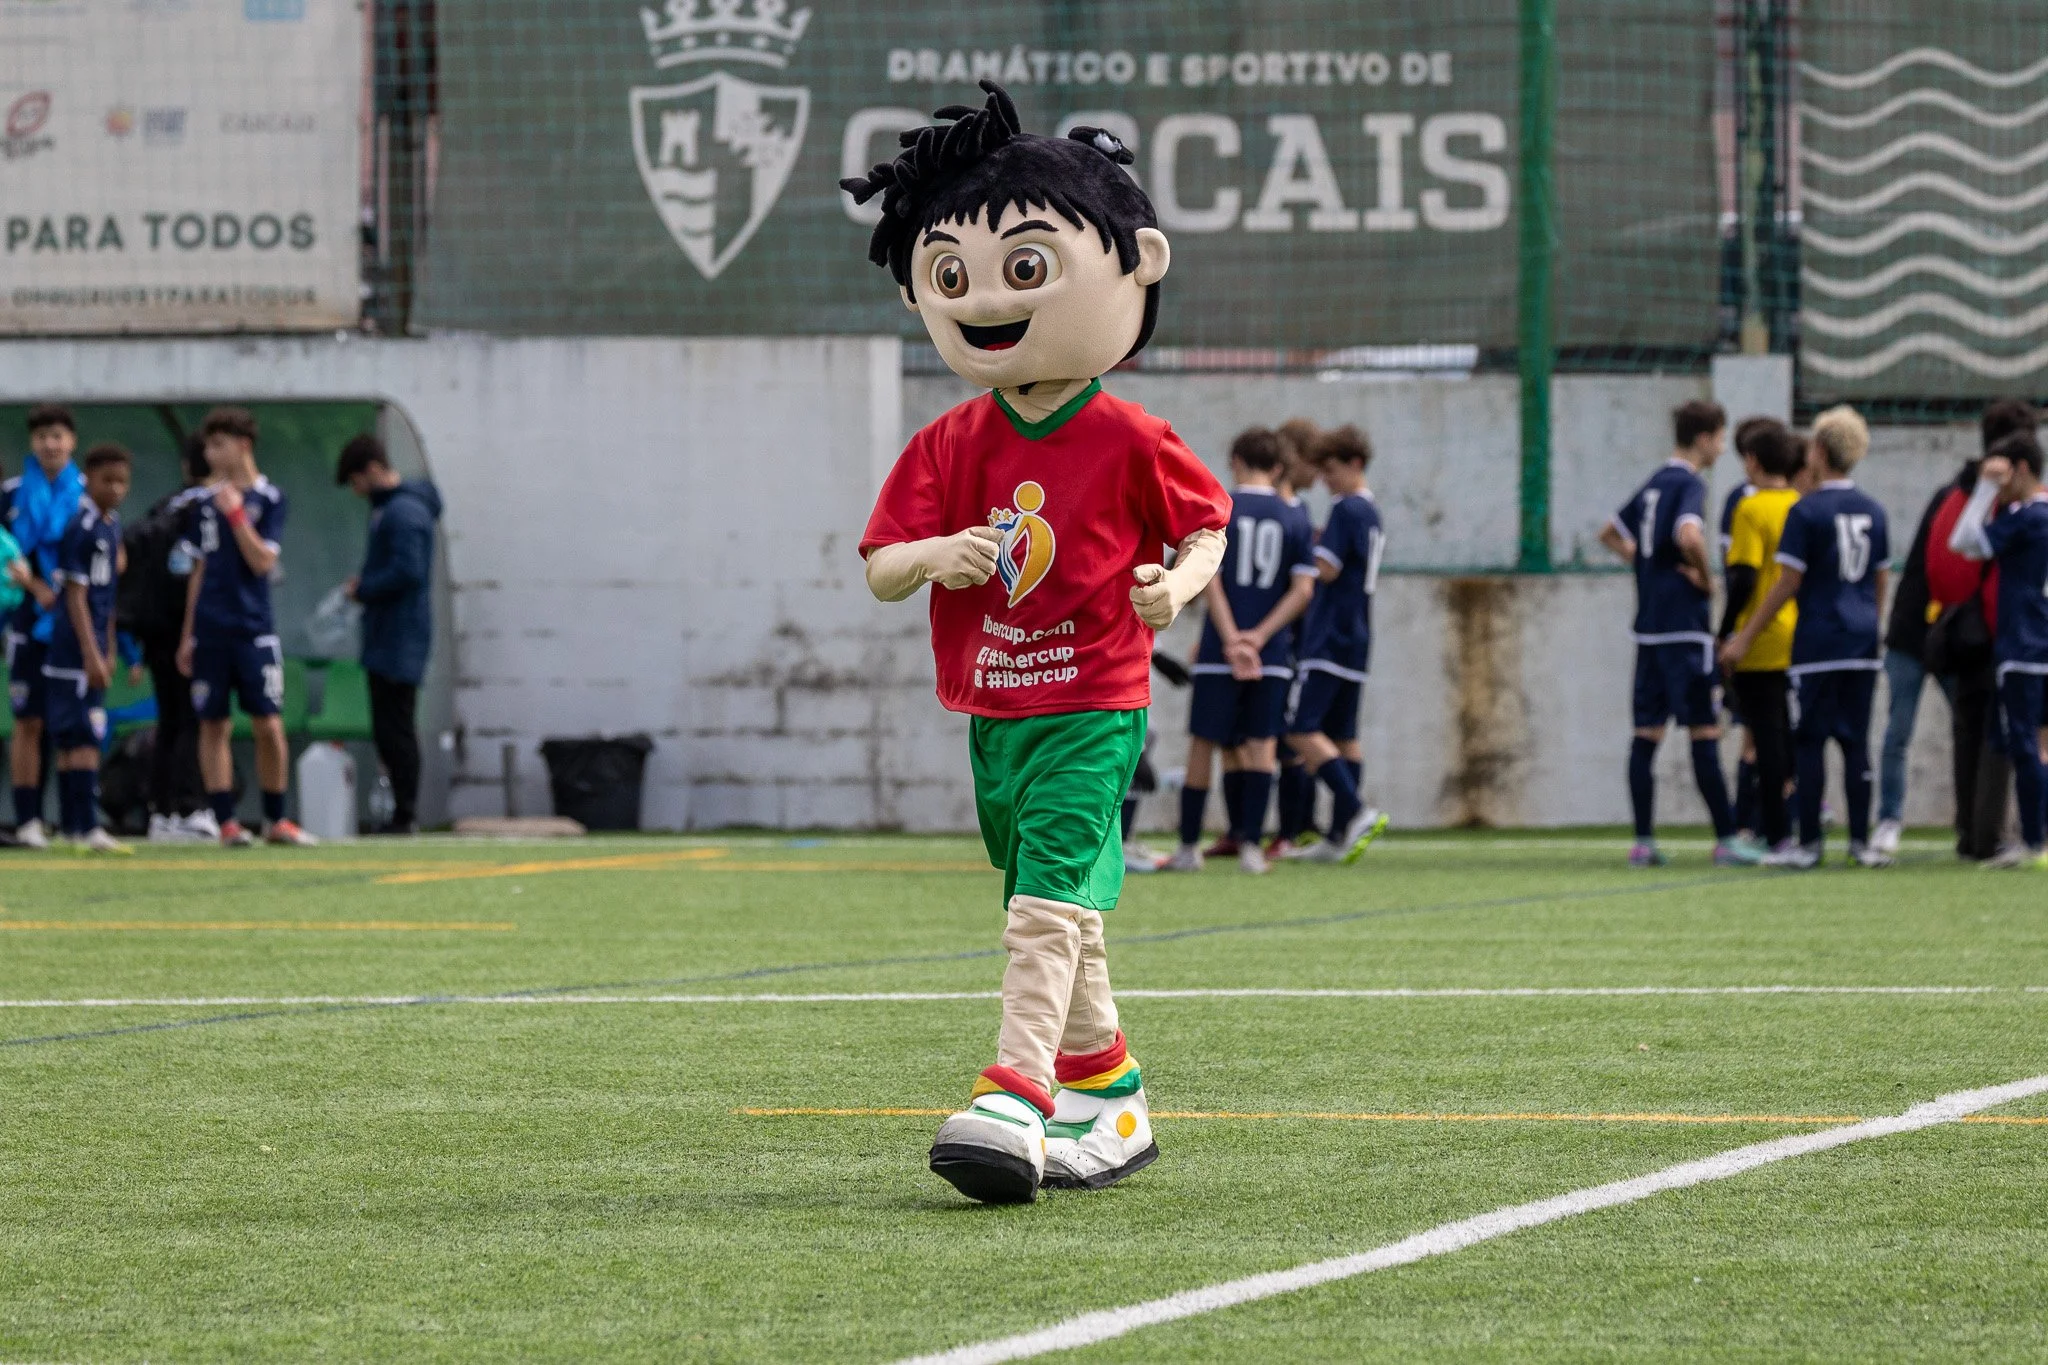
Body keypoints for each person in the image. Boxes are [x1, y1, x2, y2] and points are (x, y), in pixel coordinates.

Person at [844, 83, 1229, 1202]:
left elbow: (1207, 529)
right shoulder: (946, 441)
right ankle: (1114, 1105)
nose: (983, 300)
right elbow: (880, 567)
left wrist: (1174, 588)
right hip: (993, 710)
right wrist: (936, 555)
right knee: (1061, 913)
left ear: (1136, 264)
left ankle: (1014, 1094)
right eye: (950, 275)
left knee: (1041, 911)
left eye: (1023, 267)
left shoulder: (1130, 435)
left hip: (1094, 704)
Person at [1724, 406, 1891, 868]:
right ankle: (1860, 843)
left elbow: (1787, 583)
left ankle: (1810, 845)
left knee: (1810, 741)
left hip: (1818, 641)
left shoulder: (1807, 511)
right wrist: (1870, 624)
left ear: (1817, 450)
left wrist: (1744, 636)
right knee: (1856, 742)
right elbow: (1880, 580)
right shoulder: (1873, 510)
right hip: (1861, 642)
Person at [1599, 399, 1761, 867]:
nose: (1722, 449)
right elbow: (1689, 535)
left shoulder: (1655, 481)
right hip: (1685, 632)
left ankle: (1643, 842)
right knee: (1704, 732)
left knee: (1645, 736)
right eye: (1720, 438)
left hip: (1649, 630)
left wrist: (1646, 565)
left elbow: (1609, 532)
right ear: (1705, 438)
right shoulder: (1690, 483)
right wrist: (1706, 580)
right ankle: (1727, 839)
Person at [1166, 427, 1315, 875]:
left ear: (1234, 461)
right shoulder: (1295, 516)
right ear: (1278, 467)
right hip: (1271, 655)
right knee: (1262, 744)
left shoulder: (1220, 509)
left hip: (1218, 650)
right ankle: (1251, 848)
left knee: (1203, 742)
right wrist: (1259, 638)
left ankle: (1188, 848)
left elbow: (1207, 577)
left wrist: (1231, 638)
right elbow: (1303, 590)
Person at [174, 406, 316, 847]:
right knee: (212, 724)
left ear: (243, 446)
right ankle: (227, 823)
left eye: (219, 445)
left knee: (267, 723)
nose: (211, 454)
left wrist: (236, 515)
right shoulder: (202, 503)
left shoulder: (269, 498)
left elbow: (262, 561)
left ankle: (276, 819)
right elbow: (198, 569)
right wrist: (188, 634)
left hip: (255, 629)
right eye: (208, 446)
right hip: (210, 630)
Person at [1905, 400, 2035, 860]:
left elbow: (1940, 560)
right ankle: (1992, 835)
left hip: (1962, 629)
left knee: (1969, 732)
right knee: (2002, 738)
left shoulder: (1953, 494)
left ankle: (1971, 832)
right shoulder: (2014, 508)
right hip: (2005, 632)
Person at [1281, 424, 1391, 863]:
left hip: (1329, 636)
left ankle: (1355, 809)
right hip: (1357, 635)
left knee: (1300, 728)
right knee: (1344, 735)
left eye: (1331, 471)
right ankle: (1339, 835)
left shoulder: (1347, 509)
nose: (1326, 481)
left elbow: (1326, 568)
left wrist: (1297, 545)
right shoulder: (1372, 511)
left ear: (1355, 464)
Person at [1946, 430, 2048, 867]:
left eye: (2003, 476)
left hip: (2026, 646)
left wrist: (1985, 489)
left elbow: (1964, 542)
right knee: (2039, 746)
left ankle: (2035, 841)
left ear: (2020, 469)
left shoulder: (2027, 517)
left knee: (2023, 744)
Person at [338, 433, 443, 835]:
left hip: (400, 637)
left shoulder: (403, 511)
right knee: (388, 727)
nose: (357, 492)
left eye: (356, 481)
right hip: (389, 634)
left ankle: (405, 814)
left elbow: (408, 570)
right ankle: (401, 812)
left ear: (372, 470)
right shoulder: (391, 509)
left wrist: (364, 589)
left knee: (396, 727)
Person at [120, 435, 214, 842]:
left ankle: (161, 810)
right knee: (193, 718)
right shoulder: (206, 508)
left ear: (185, 466)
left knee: (171, 718)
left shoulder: (165, 506)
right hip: (189, 630)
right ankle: (191, 806)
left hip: (154, 630)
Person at [1716, 424, 1802, 851]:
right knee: (1789, 732)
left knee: (1764, 737)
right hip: (1800, 632)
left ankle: (1774, 832)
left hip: (1761, 636)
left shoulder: (1750, 509)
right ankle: (1800, 821)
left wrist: (1726, 631)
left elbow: (1745, 577)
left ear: (1752, 461)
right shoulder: (1800, 504)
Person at [44, 444, 133, 853]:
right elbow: (76, 597)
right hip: (72, 650)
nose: (115, 489)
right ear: (89, 480)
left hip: (94, 643)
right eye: (107, 480)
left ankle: (73, 827)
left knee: (79, 735)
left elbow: (106, 599)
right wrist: (91, 654)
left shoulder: (111, 526)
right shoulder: (81, 526)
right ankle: (85, 825)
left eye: (122, 482)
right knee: (80, 736)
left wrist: (109, 646)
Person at [4, 404, 83, 848]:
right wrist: (31, 585)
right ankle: (28, 820)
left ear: (71, 441)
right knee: (28, 721)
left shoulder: (88, 493)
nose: (50, 445)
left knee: (71, 724)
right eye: (41, 437)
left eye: (57, 436)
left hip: (74, 624)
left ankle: (76, 822)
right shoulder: (12, 494)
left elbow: (110, 557)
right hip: (25, 621)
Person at [1270, 416, 1322, 856]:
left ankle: (1298, 827)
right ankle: (1287, 829)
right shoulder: (1277, 511)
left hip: (1293, 641)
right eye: (1313, 462)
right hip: (1274, 641)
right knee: (1270, 734)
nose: (1318, 473)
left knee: (1292, 732)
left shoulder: (1299, 512)